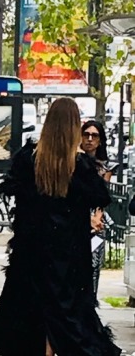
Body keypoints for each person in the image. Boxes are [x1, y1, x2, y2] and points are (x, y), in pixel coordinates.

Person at [0, 99, 122, 356]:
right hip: (68, 248)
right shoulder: (79, 163)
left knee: (36, 302)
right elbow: (101, 197)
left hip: (32, 245)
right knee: (62, 304)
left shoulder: (30, 157)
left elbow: (11, 187)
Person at [80, 120, 112, 300]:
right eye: (86, 134)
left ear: (100, 140)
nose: (90, 139)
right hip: (76, 220)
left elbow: (102, 198)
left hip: (96, 224)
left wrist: (96, 218)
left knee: (93, 269)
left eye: (94, 135)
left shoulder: (104, 168)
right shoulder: (74, 161)